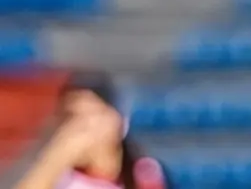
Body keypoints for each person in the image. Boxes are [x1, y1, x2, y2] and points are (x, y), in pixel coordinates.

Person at [14, 72, 169, 189]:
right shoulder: (54, 175)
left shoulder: (143, 171)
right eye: (70, 117)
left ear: (116, 120)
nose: (78, 128)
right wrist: (56, 159)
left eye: (89, 116)